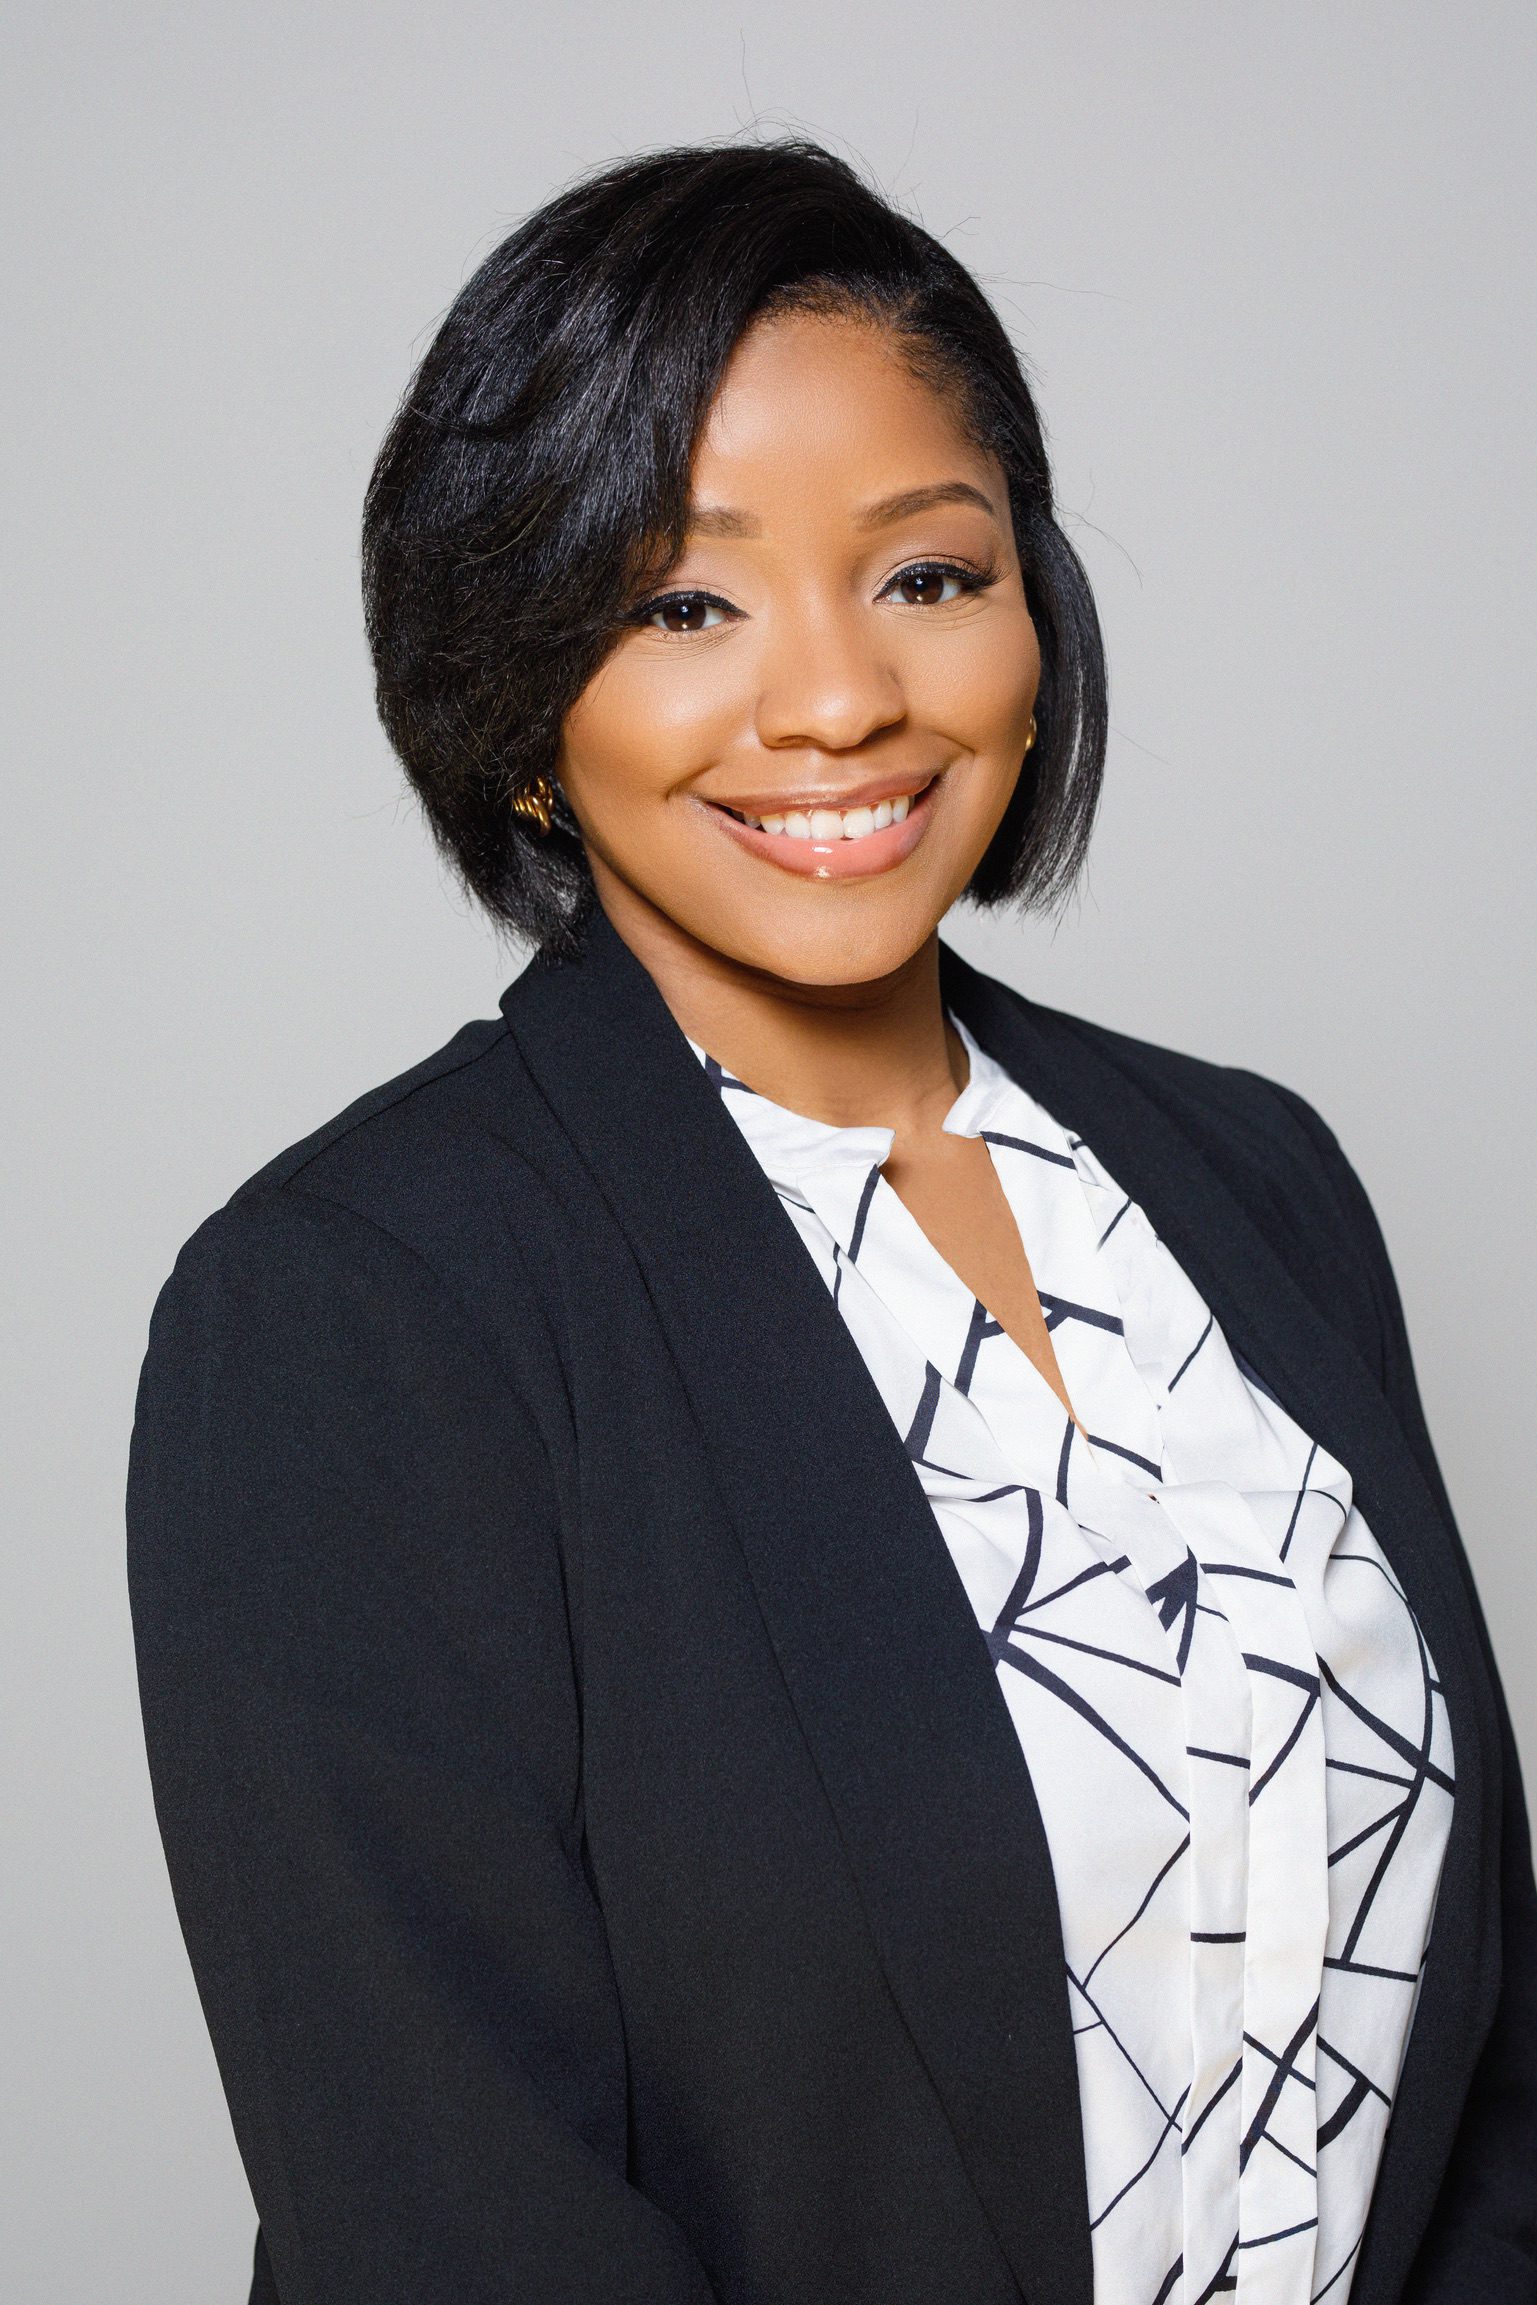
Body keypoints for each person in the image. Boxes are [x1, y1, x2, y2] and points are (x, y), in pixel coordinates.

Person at [127, 140, 1536, 2305]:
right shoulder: (356, 1310)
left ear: (1032, 622)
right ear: (517, 703)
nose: (836, 700)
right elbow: (449, 2221)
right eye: (684, 602)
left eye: (926, 574)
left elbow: (1477, 2052)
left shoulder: (1257, 1182)